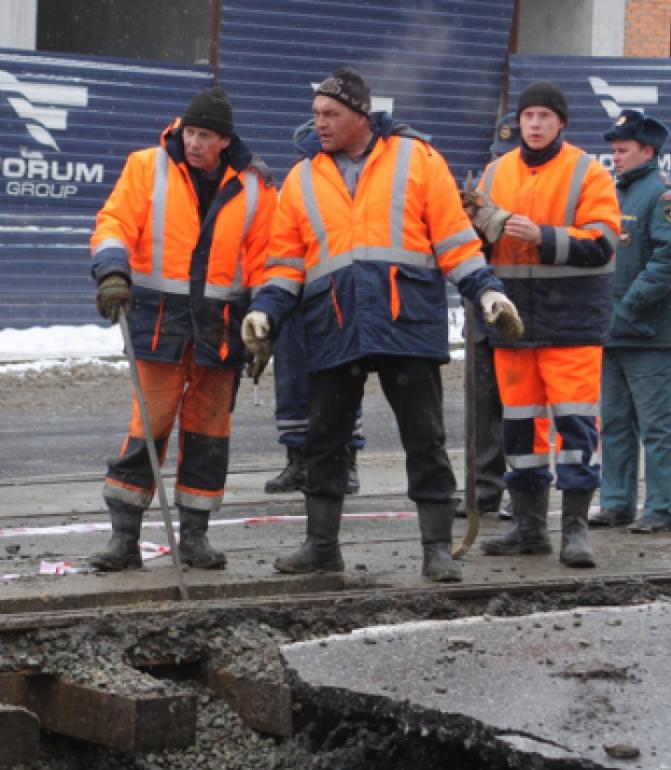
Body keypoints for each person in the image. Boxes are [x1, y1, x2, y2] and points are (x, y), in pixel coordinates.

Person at [241, 68, 519, 582]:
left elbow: (455, 241)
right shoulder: (302, 178)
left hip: (404, 320)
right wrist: (266, 310)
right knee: (324, 439)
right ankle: (322, 546)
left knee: (424, 437)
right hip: (335, 321)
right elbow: (285, 261)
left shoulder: (419, 160)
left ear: (360, 116)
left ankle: (436, 549)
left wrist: (487, 291)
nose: (320, 123)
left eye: (331, 114)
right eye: (316, 114)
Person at [88, 86, 276, 572]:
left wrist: (266, 316)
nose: (193, 143)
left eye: (205, 136)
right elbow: (114, 223)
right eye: (190, 132)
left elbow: (267, 258)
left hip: (221, 330)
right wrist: (112, 271)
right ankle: (124, 538)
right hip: (160, 325)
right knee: (147, 429)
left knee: (209, 434)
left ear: (224, 141)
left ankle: (194, 537)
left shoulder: (255, 186)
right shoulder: (147, 167)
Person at [465, 81, 621, 569]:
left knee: (576, 427)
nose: (534, 124)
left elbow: (603, 243)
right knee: (520, 429)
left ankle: (575, 531)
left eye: (544, 117)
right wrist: (475, 226)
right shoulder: (496, 173)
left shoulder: (588, 172)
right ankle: (529, 528)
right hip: (514, 325)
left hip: (571, 323)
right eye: (528, 116)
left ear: (561, 123)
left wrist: (543, 236)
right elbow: (477, 246)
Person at [591, 110, 671, 534]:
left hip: (652, 333)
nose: (615, 158)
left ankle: (659, 510)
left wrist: (628, 308)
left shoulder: (666, 194)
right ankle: (616, 503)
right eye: (613, 150)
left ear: (648, 151)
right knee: (615, 424)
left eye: (623, 150)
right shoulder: (617, 192)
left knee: (657, 428)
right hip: (614, 331)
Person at [265, 121, 365, 498]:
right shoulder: (298, 184)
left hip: (334, 295)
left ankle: (344, 461)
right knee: (293, 381)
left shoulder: (346, 185)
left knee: (339, 381)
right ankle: (299, 460)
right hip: (296, 296)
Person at [460, 114, 522, 520]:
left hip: (521, 308)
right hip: (482, 313)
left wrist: (494, 220)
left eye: (506, 155)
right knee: (482, 412)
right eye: (496, 156)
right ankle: (483, 492)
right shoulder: (483, 186)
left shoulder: (533, 188)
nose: (500, 162)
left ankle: (522, 491)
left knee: (520, 410)